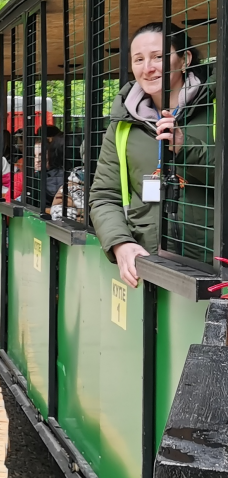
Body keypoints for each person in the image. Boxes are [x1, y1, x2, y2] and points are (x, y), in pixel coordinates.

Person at [89, 22, 215, 287]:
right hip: (149, 266)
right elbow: (103, 196)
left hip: (215, 268)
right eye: (139, 59)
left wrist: (186, 148)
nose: (148, 68)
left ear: (185, 59)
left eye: (159, 56)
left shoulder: (216, 107)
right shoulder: (121, 124)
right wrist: (120, 243)